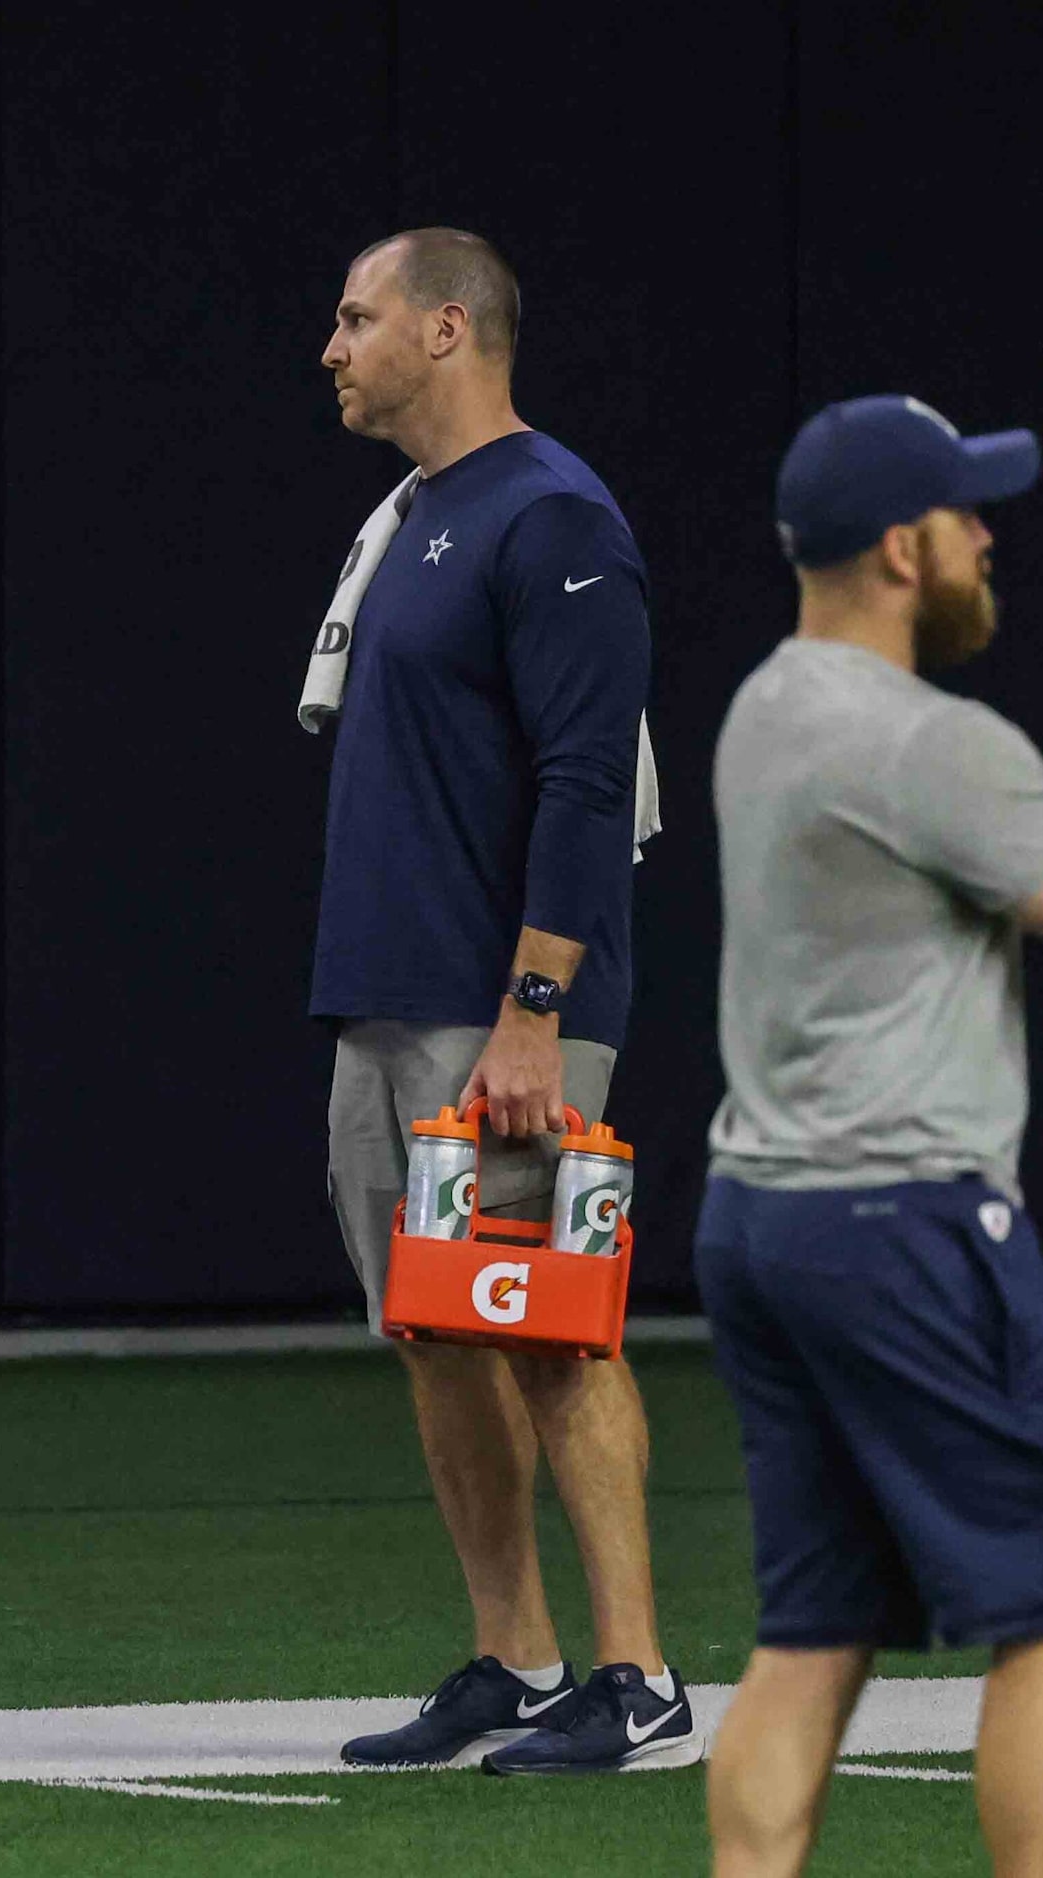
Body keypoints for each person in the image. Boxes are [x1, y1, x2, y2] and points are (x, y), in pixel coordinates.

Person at [309, 228, 691, 1773]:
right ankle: (515, 1659)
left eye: (355, 318)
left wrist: (537, 1006)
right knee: (435, 1326)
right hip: (392, 995)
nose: (329, 347)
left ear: (446, 327)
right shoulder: (414, 516)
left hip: (503, 1011)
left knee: (546, 1331)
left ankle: (640, 1678)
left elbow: (592, 777)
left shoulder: (550, 512)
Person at [700, 395, 1043, 1876]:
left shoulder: (764, 702)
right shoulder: (927, 741)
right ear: (902, 548)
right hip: (902, 1221)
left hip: (759, 1221)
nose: (986, 538)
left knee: (810, 1636)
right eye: (966, 516)